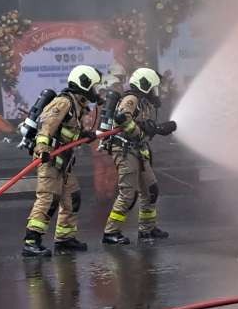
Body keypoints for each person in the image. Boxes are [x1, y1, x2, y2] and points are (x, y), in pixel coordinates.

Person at [22, 65, 101, 257]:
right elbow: (46, 127)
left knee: (72, 198)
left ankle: (65, 238)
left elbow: (67, 132)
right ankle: (31, 241)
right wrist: (43, 150)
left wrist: (84, 135)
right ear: (84, 83)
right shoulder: (64, 102)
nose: (95, 91)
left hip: (64, 162)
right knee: (48, 199)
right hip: (49, 159)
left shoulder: (78, 104)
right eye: (93, 86)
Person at [102, 67, 177, 245]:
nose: (154, 92)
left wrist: (156, 129)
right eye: (153, 87)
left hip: (137, 151)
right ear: (145, 85)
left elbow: (142, 125)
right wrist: (140, 131)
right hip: (125, 151)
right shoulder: (131, 99)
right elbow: (122, 118)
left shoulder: (142, 102)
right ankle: (111, 232)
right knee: (128, 194)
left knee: (151, 190)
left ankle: (147, 229)